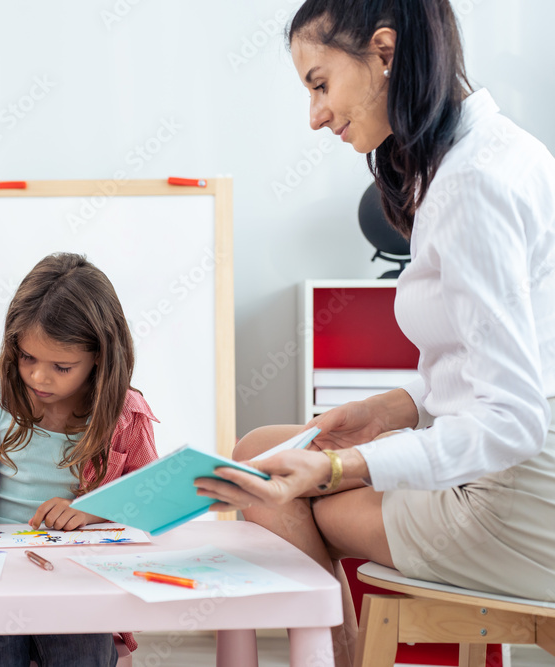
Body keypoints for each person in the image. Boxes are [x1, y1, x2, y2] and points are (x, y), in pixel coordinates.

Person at [193, 1, 555, 665]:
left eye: (319, 83)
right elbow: (507, 354)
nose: (315, 115)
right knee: (256, 449)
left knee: (265, 489)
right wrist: (391, 408)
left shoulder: (472, 185)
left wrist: (338, 465)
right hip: (511, 465)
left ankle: (343, 657)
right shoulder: (500, 147)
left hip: (521, 503)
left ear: (384, 53)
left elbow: (513, 421)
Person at [0, 252, 159, 667]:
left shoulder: (126, 414)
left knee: (81, 649)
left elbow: (150, 498)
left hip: (76, 573)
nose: (38, 377)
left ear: (101, 358)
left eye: (62, 366)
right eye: (27, 357)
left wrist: (92, 512)